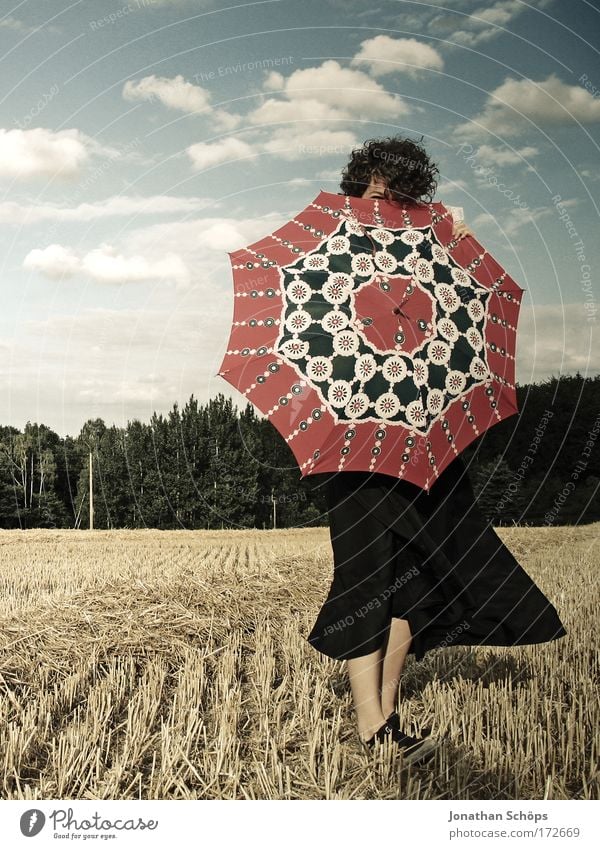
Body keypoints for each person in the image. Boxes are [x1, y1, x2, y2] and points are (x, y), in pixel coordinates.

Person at [306, 135, 567, 763]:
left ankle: (384, 714)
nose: (386, 206)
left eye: (401, 197)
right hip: (358, 452)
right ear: (355, 190)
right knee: (368, 580)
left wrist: (460, 237)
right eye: (374, 193)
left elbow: (470, 324)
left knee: (420, 584)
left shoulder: (435, 253)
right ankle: (376, 730)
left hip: (429, 447)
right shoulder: (328, 252)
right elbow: (315, 343)